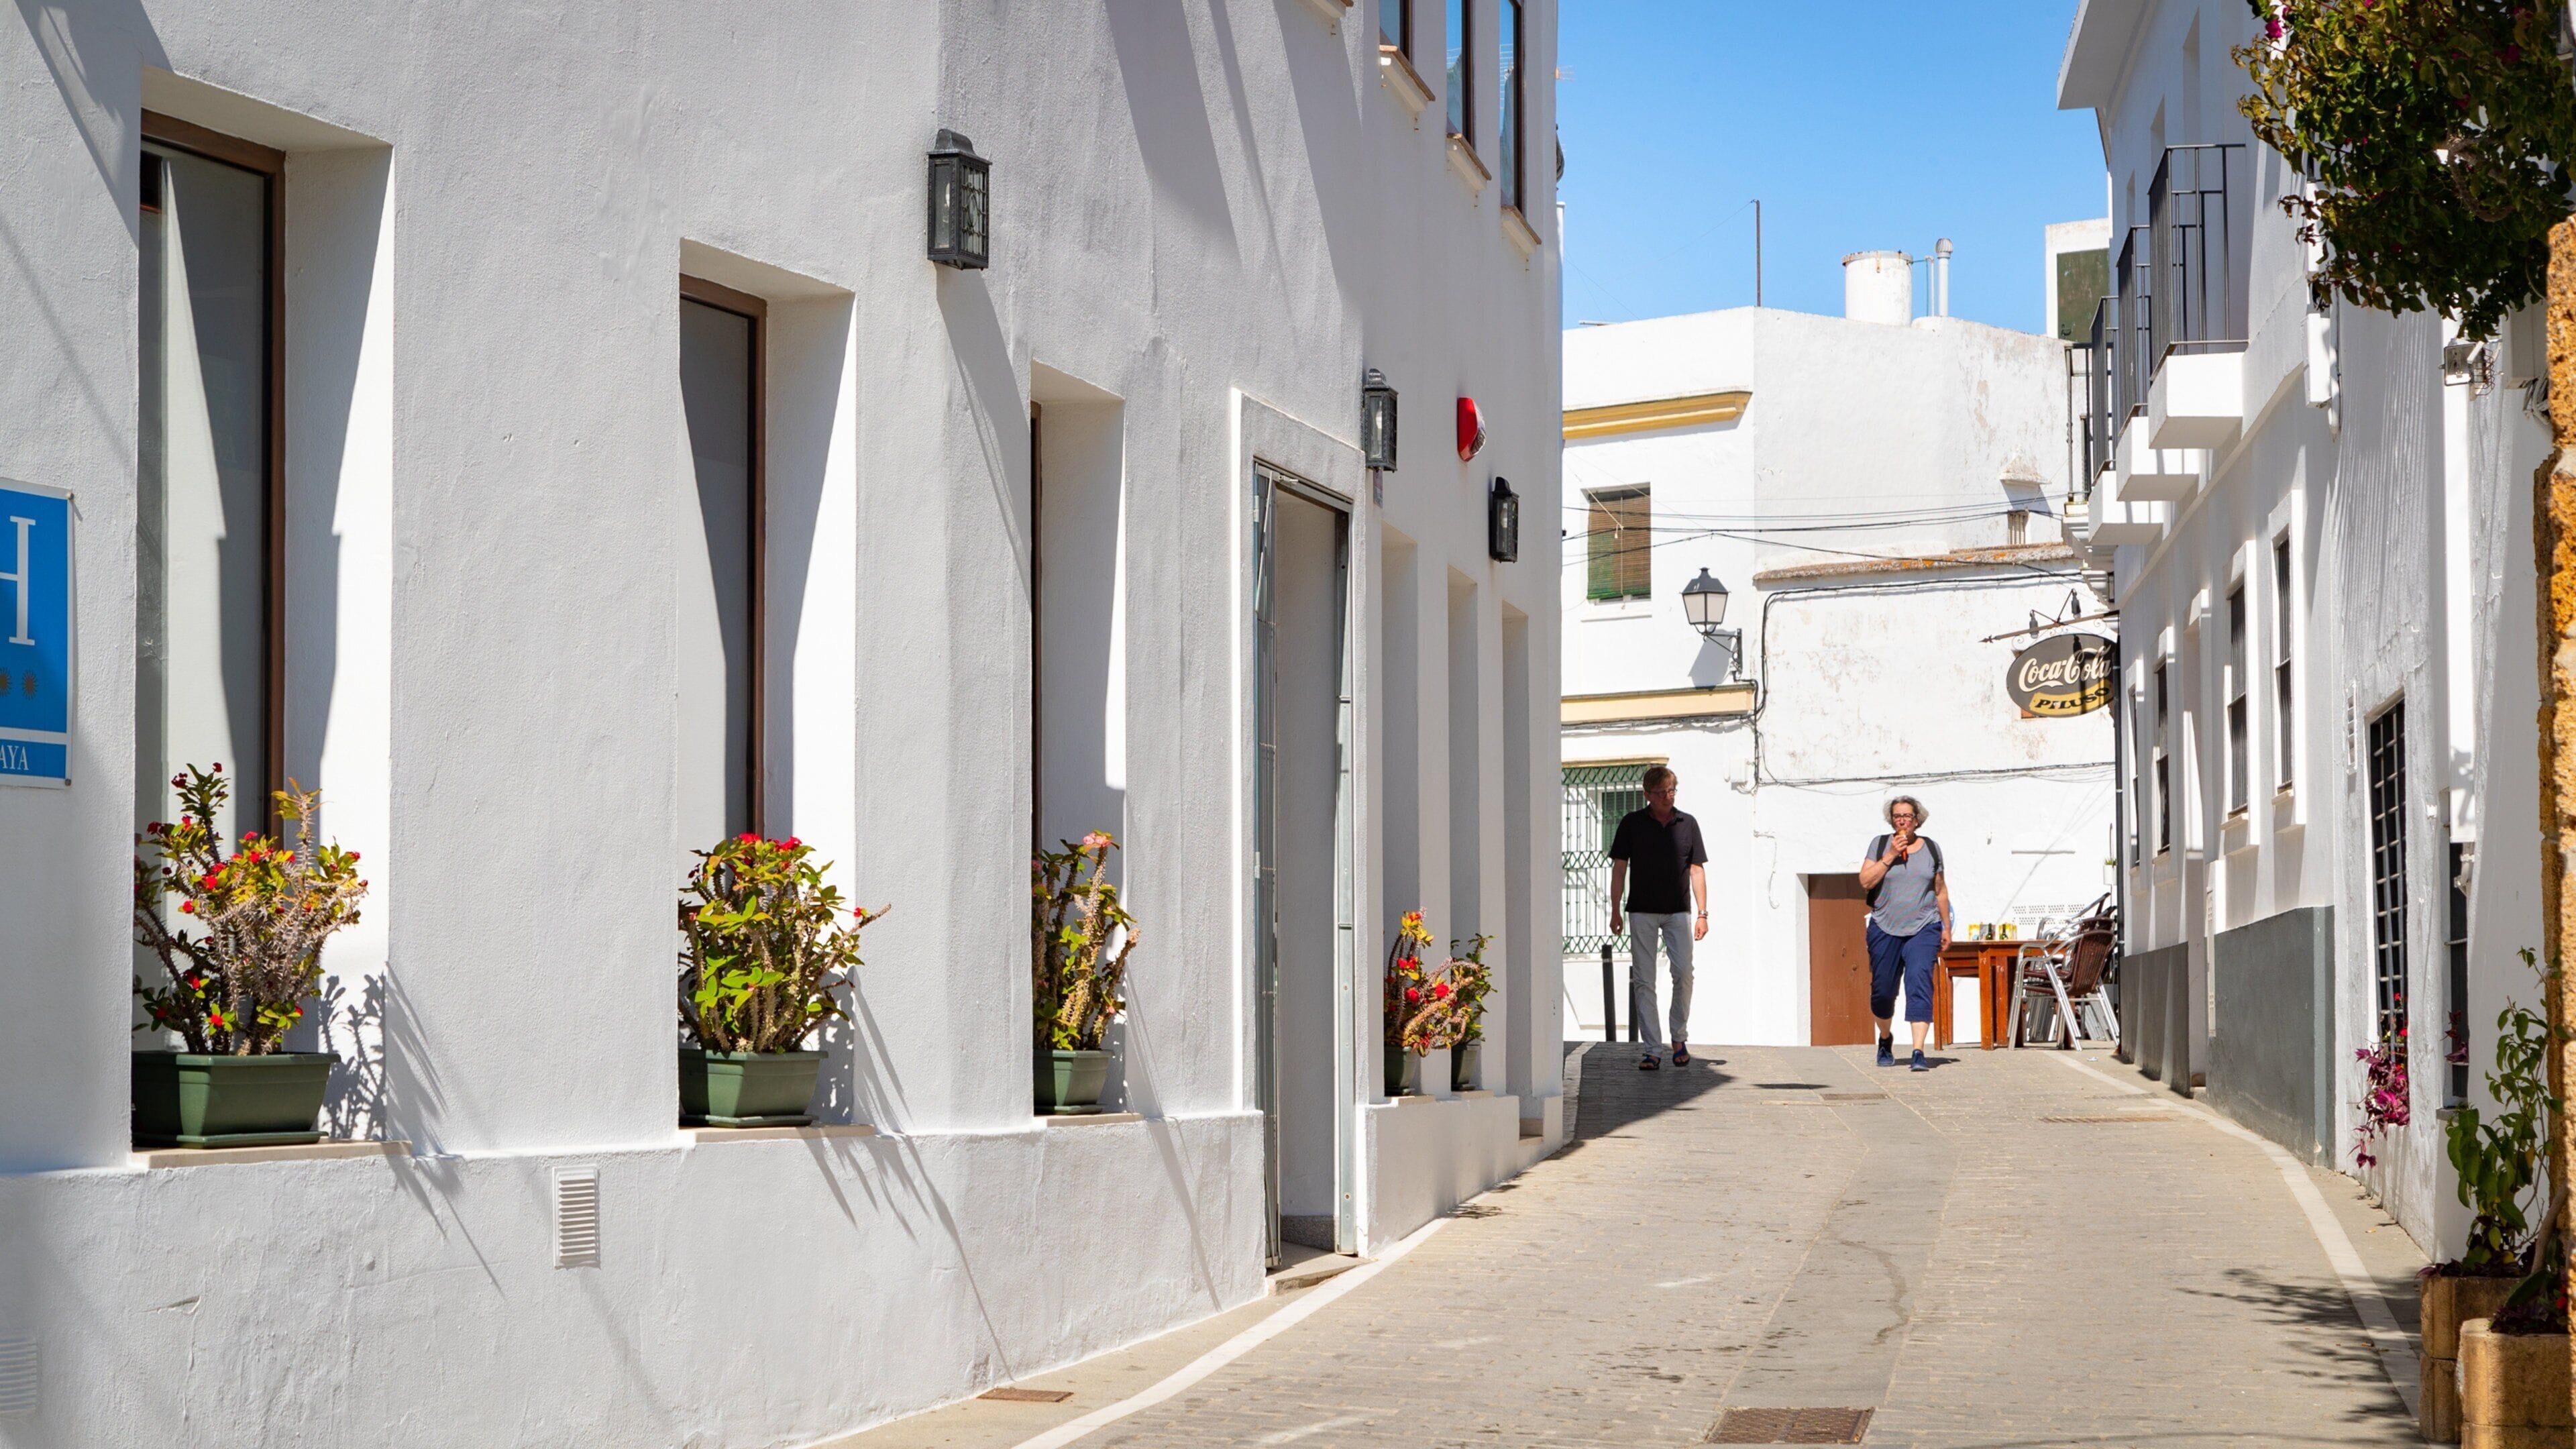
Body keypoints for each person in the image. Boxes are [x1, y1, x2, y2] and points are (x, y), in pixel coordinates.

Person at [1607, 765, 1709, 1071]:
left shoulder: (1687, 823)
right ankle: (1652, 1048)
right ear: (1647, 795)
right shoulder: (1631, 823)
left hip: (1679, 911)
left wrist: (1702, 913)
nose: (1668, 797)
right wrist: (1615, 909)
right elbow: (1619, 869)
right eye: (1662, 792)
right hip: (1641, 911)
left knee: (1684, 973)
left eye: (1672, 791)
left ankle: (1679, 1036)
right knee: (1644, 979)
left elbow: (1697, 869)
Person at [1856, 794, 1951, 1071]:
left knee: (1919, 981)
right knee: (1883, 992)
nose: (1902, 821)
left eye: (1907, 816)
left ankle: (1918, 1051)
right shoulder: (1880, 845)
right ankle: (1885, 1039)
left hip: (1924, 926)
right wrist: (1890, 856)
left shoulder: (1932, 849)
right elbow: (1865, 881)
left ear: (1917, 820)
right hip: (1885, 926)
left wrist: (1946, 927)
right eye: (1897, 816)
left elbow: (1940, 890)